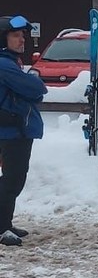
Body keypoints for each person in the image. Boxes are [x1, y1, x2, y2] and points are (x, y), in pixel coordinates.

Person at [0, 15, 46, 246]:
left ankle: (5, 223)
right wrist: (34, 84)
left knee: (14, 178)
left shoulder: (11, 63)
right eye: (16, 35)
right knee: (12, 180)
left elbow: (35, 92)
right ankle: (1, 228)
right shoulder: (4, 64)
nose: (22, 40)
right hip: (11, 131)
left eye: (23, 36)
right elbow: (37, 88)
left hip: (15, 130)